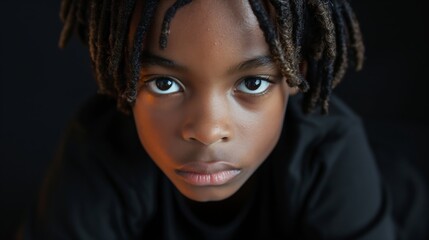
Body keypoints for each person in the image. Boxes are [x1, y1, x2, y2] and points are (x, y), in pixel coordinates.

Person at [19, 0, 398, 239]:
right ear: (123, 73)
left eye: (252, 82)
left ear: (295, 74)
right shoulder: (100, 150)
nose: (206, 130)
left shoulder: (329, 152)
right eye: (164, 84)